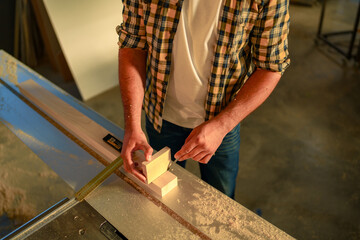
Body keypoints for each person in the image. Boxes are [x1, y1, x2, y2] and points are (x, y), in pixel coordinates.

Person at [116, 0, 290, 199]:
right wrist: (132, 125)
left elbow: (270, 66)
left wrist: (223, 125)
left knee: (221, 200)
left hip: (222, 121)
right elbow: (132, 46)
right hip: (159, 117)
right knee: (157, 196)